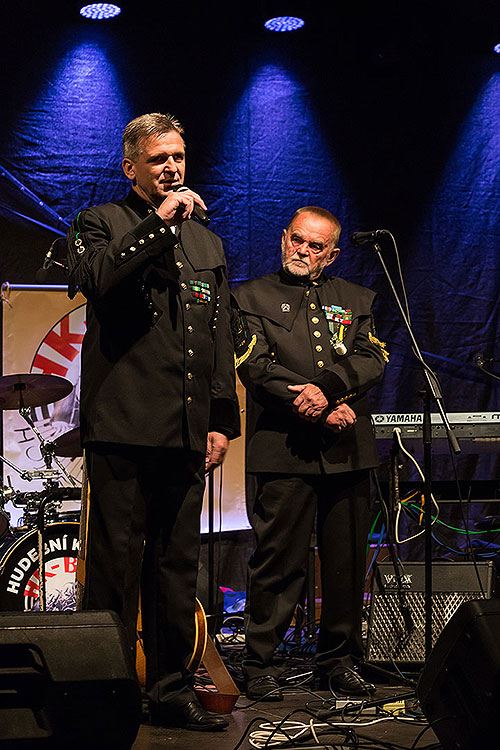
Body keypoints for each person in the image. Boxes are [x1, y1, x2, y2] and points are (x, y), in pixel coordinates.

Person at [66, 113, 239, 730]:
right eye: (159, 159)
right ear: (130, 166)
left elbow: (219, 336)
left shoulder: (208, 241)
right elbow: (96, 281)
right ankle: (104, 693)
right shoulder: (102, 222)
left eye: (179, 158)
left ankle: (170, 690)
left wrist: (221, 419)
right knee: (116, 565)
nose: (172, 169)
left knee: (175, 565)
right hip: (124, 425)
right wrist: (155, 225)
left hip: (187, 429)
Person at [232, 206, 388, 700]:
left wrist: (329, 389)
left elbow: (372, 355)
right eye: (296, 239)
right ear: (283, 238)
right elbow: (254, 368)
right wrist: (320, 408)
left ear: (332, 253)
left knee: (344, 561)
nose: (302, 249)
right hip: (283, 449)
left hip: (347, 450)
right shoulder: (249, 296)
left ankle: (337, 661)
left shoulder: (356, 297)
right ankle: (260, 663)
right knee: (279, 561)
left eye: (315, 245)